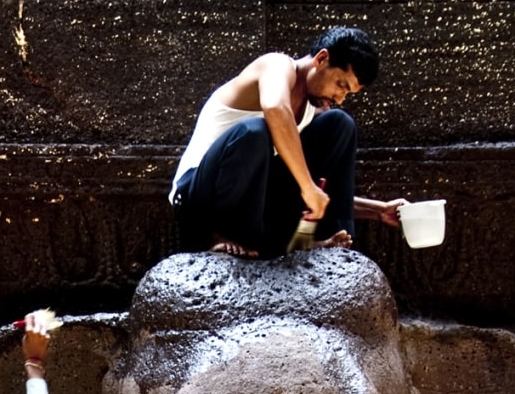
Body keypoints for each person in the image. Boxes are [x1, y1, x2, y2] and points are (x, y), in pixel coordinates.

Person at [169, 27, 406, 258]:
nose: (340, 97)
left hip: (254, 210)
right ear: (322, 59)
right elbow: (274, 108)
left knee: (339, 124)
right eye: (340, 85)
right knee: (256, 131)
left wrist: (378, 210)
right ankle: (218, 237)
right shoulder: (277, 65)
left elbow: (302, 189)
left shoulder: (311, 109)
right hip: (198, 199)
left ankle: (326, 242)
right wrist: (308, 188)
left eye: (348, 93)